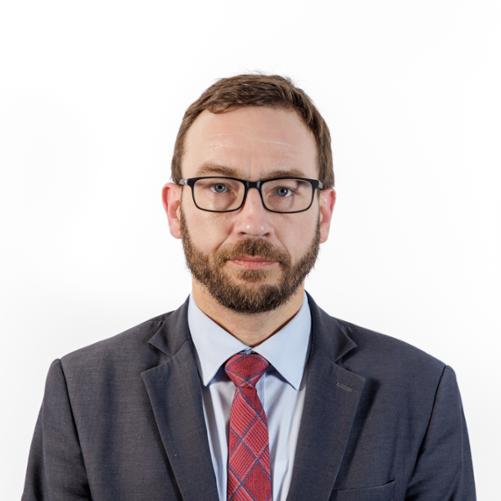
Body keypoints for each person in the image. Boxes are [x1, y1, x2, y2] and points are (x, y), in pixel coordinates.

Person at [22, 74, 476, 501]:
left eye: (284, 190)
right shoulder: (81, 392)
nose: (253, 222)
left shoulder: (420, 392)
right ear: (175, 209)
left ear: (323, 214)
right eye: (220, 187)